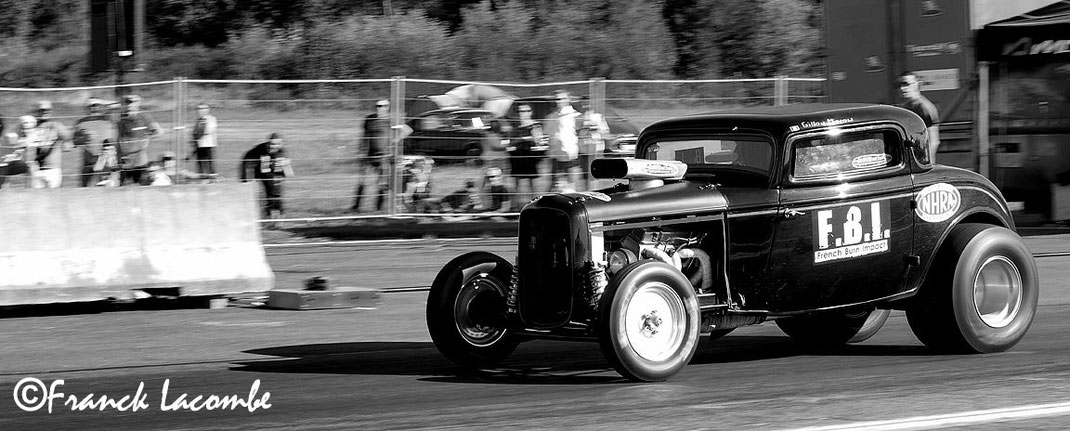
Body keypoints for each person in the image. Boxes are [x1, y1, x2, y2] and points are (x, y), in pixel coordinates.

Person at [352, 99, 411, 212]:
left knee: (382, 184)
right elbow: (364, 136)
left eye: (382, 106)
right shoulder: (369, 120)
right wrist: (361, 151)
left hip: (384, 157)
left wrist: (396, 140)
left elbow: (408, 130)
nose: (379, 108)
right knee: (363, 182)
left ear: (387, 107)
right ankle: (356, 207)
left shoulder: (392, 120)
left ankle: (378, 209)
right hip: (369, 156)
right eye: (377, 106)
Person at [241, 133, 293, 219]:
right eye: (272, 144)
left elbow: (288, 173)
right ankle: (249, 214)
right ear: (268, 143)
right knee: (249, 190)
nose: (274, 146)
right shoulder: (259, 150)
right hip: (252, 165)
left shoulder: (281, 153)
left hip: (267, 169)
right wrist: (247, 180)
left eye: (277, 144)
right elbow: (248, 165)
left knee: (275, 191)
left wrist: (285, 166)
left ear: (281, 144)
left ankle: (275, 214)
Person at [117, 94, 164, 185]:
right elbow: (119, 139)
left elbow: (159, 131)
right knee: (122, 187)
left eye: (132, 102)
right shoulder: (122, 119)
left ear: (138, 104)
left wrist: (146, 139)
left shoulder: (144, 117)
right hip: (125, 162)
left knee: (140, 186)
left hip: (140, 161)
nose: (129, 105)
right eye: (127, 103)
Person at [505, 103, 547, 201]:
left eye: (526, 111)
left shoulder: (535, 125)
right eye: (521, 111)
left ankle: (535, 204)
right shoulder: (515, 126)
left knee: (533, 185)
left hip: (530, 157)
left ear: (531, 112)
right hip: (516, 158)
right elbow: (510, 142)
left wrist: (527, 140)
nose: (523, 113)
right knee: (516, 185)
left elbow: (539, 142)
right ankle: (516, 206)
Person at [897, 71, 940, 163]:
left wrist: (927, 163)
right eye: (900, 85)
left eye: (906, 84)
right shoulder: (904, 107)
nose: (902, 88)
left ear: (917, 85)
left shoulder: (924, 107)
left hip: (922, 161)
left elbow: (934, 140)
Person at [72, 97, 117, 187]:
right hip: (88, 160)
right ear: (86, 108)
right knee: (83, 187)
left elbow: (116, 105)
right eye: (91, 106)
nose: (93, 108)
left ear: (100, 106)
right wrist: (80, 140)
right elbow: (74, 141)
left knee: (105, 187)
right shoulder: (81, 122)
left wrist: (101, 101)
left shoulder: (107, 119)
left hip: (106, 161)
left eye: (96, 106)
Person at [32, 100, 71, 188]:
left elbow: (68, 139)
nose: (44, 112)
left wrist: (65, 143)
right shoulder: (33, 127)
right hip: (37, 169)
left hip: (53, 169)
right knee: (35, 199)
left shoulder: (57, 125)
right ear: (38, 111)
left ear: (51, 111)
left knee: (54, 199)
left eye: (47, 110)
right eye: (42, 110)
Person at [548, 90, 581, 192]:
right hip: (556, 155)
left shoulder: (575, 115)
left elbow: (580, 133)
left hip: (570, 154)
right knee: (555, 184)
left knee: (572, 184)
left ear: (568, 99)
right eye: (557, 99)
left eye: (561, 98)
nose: (558, 101)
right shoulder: (552, 116)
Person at [578, 99, 610, 187]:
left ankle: (595, 190)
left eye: (587, 103)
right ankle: (587, 190)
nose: (585, 106)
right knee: (585, 174)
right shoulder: (579, 117)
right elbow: (576, 132)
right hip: (583, 150)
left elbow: (605, 133)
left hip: (595, 150)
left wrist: (596, 129)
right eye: (583, 103)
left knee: (594, 172)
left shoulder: (598, 117)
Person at [0, 116, 38, 188]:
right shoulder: (12, 133)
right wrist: (27, 141)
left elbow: (30, 156)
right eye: (26, 127)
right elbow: (12, 142)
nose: (28, 130)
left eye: (31, 128)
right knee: (3, 184)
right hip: (3, 163)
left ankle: (31, 188)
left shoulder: (30, 135)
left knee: (31, 166)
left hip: (12, 162)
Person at [190, 103, 218, 175]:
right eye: (199, 109)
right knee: (200, 162)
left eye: (203, 109)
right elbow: (194, 132)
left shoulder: (211, 119)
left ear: (208, 110)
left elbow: (209, 130)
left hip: (208, 144)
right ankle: (202, 176)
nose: (200, 111)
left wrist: (198, 133)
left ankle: (212, 177)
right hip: (199, 144)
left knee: (209, 162)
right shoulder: (198, 120)